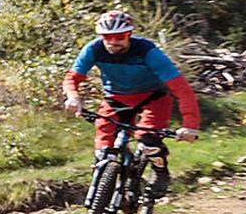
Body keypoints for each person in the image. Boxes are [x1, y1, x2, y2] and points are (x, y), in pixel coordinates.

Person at [62, 10, 200, 198]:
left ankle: (160, 172)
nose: (113, 42)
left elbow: (182, 89)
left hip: (153, 97)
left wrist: (190, 126)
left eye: (119, 36)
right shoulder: (94, 49)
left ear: (129, 34)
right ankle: (103, 194)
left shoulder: (147, 51)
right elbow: (72, 78)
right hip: (116, 98)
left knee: (147, 138)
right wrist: (73, 97)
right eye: (107, 37)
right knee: (103, 147)